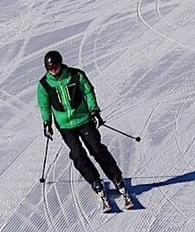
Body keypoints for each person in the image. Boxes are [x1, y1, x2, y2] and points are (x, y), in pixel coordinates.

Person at [38, 50, 134, 210]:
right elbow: (44, 105)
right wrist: (47, 123)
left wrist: (94, 110)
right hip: (65, 125)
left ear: (61, 64)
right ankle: (95, 181)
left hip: (84, 120)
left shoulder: (76, 75)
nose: (53, 70)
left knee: (97, 149)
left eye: (56, 66)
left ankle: (117, 179)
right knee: (78, 155)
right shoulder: (44, 84)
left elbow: (88, 91)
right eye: (50, 68)